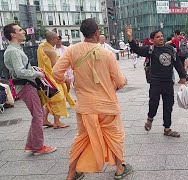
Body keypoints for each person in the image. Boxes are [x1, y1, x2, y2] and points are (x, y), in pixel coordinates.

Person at [52, 18, 131, 180]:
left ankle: (71, 173)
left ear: (82, 33)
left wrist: (68, 81)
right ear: (97, 33)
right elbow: (121, 82)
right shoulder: (107, 53)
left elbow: (56, 73)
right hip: (107, 105)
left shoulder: (72, 50)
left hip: (85, 106)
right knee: (114, 135)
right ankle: (119, 169)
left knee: (82, 138)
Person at [3, 23, 56, 155]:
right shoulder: (13, 51)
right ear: (12, 34)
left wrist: (33, 69)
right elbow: (19, 72)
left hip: (26, 85)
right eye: (20, 30)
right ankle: (38, 147)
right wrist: (37, 74)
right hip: (26, 86)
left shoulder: (15, 49)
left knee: (38, 114)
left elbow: (21, 68)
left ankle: (32, 145)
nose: (24, 32)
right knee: (38, 115)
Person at [126, 26, 187, 137]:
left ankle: (167, 129)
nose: (161, 38)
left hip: (168, 82)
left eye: (162, 36)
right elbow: (137, 50)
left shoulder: (171, 49)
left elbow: (178, 64)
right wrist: (130, 37)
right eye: (158, 37)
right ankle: (150, 118)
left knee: (168, 105)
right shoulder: (150, 49)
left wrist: (183, 76)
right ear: (152, 40)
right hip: (155, 83)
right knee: (154, 103)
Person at [38, 31, 75, 129]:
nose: (58, 40)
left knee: (51, 98)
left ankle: (44, 119)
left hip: (44, 78)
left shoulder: (41, 47)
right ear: (53, 39)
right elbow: (56, 68)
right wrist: (64, 79)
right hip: (51, 78)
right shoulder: (51, 51)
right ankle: (57, 122)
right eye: (57, 38)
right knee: (58, 98)